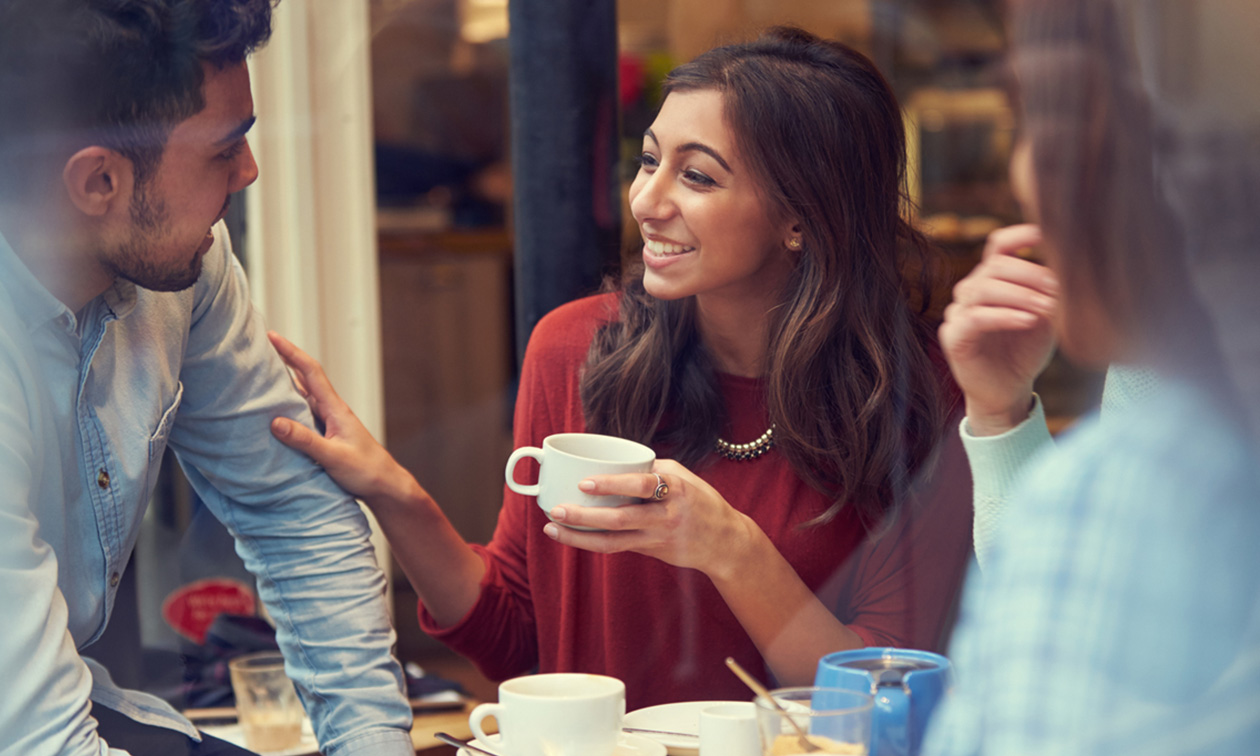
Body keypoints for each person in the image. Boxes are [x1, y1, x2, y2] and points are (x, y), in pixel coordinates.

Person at [268, 26, 973, 709]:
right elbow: (515, 635)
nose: (646, 202)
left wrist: (731, 549)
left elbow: (881, 702)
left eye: (696, 175)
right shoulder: (576, 350)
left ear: (801, 216)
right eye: (648, 160)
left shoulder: (917, 395)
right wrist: (394, 494)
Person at [0, 2, 413, 755]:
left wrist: (371, 745)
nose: (249, 172)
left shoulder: (186, 269)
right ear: (98, 181)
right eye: (225, 150)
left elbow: (293, 512)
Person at [923, 1, 1260, 753]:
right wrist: (1001, 412)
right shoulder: (1166, 394)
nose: (1021, 177)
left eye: (1031, 119)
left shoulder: (1144, 472)